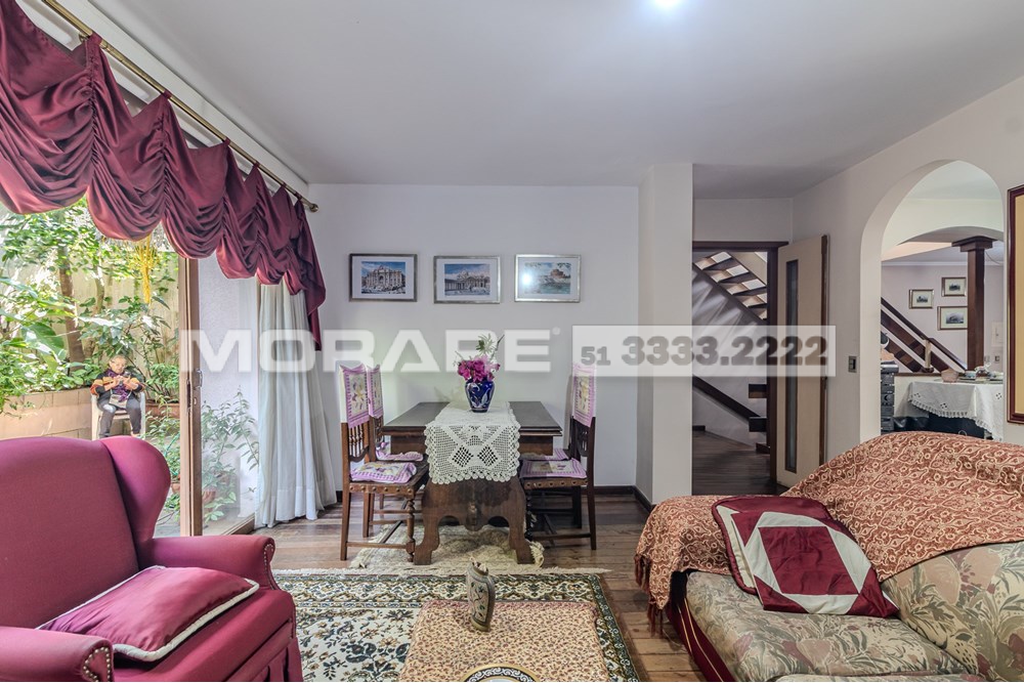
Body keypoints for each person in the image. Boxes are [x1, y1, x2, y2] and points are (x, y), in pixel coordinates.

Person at [91, 355, 146, 438]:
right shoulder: (102, 376)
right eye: (117, 365)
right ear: (111, 364)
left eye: (123, 365)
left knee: (135, 407)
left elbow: (140, 388)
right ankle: (103, 437)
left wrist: (129, 383)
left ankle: (136, 433)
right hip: (107, 399)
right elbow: (94, 390)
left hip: (126, 399)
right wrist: (112, 385)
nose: (120, 367)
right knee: (109, 409)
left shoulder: (129, 376)